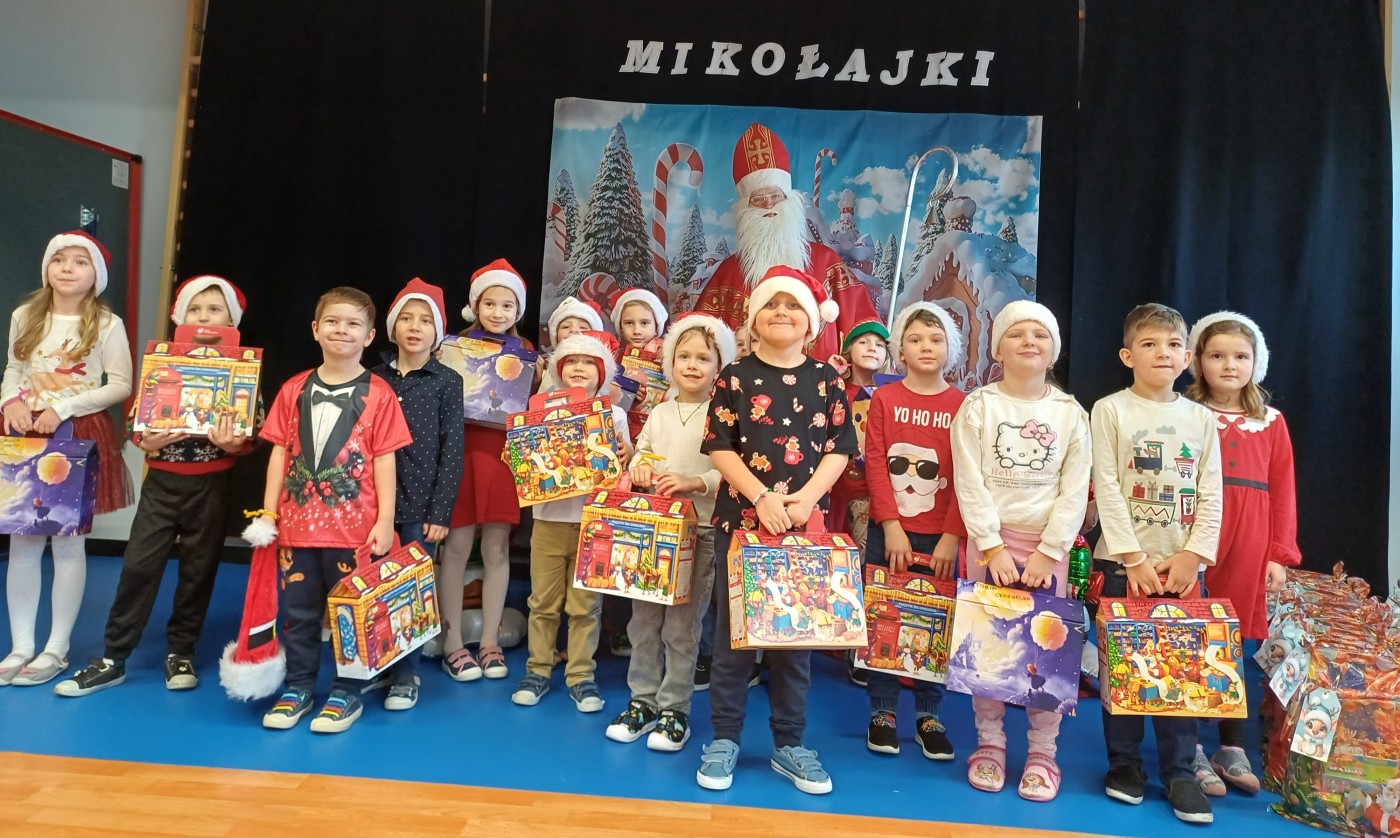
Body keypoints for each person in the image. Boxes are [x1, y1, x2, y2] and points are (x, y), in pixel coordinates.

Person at [696, 265, 858, 796]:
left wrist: (806, 499)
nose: (782, 313)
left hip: (805, 532)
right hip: (742, 526)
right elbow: (719, 447)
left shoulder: (828, 380)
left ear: (811, 322)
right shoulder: (734, 376)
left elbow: (839, 448)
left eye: (793, 305)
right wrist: (760, 497)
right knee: (733, 641)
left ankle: (790, 743)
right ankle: (724, 738)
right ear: (753, 318)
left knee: (796, 643)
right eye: (771, 304)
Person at [55, 276, 258, 696]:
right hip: (162, 484)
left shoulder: (242, 368)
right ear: (180, 317)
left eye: (214, 310)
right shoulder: (163, 362)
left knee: (199, 571)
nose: (204, 318)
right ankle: (114, 655)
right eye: (195, 309)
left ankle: (181, 650)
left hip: (212, 486)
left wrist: (236, 444)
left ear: (231, 320)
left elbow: (252, 428)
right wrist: (144, 439)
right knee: (138, 568)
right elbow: (137, 423)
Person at [255, 287, 413, 733]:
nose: (342, 330)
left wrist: (385, 520)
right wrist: (268, 513)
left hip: (355, 531)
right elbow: (280, 452)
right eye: (332, 321)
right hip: (296, 528)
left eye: (353, 324)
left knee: (352, 612)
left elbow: (385, 459)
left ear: (369, 336)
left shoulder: (380, 393)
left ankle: (348, 690)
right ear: (315, 329)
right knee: (299, 612)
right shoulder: (293, 389)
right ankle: (299, 686)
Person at [951, 300, 1090, 803]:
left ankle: (1043, 753)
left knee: (1046, 654)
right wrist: (991, 546)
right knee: (988, 649)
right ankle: (989, 743)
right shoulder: (979, 407)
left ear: (1053, 350)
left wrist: (1050, 551)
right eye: (1017, 334)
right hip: (991, 544)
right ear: (998, 349)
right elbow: (969, 480)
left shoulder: (1070, 413)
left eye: (1040, 334)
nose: (1029, 341)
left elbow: (1075, 490)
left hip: (1047, 550)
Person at [1091, 302, 1223, 824]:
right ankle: (1124, 764)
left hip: (1183, 570)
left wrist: (1194, 555)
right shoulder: (1110, 410)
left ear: (1186, 357)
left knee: (1180, 671)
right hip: (1125, 566)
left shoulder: (1201, 418)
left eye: (1172, 345)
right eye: (1149, 344)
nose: (1162, 353)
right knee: (1125, 668)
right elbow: (1106, 485)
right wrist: (1133, 557)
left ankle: (1180, 772)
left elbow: (1211, 492)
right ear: (1128, 356)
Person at [1, 231, 133, 687]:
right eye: (59, 259)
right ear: (47, 268)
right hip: (23, 434)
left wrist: (64, 407)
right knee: (23, 540)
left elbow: (120, 384)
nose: (68, 268)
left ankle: (56, 648)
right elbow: (14, 368)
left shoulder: (106, 324)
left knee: (67, 542)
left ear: (96, 275)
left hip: (74, 434)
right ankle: (21, 645)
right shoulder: (25, 316)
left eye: (80, 261)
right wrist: (9, 402)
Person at [605, 312, 735, 752]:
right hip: (652, 530)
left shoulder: (722, 413)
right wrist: (640, 468)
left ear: (719, 366)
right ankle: (641, 701)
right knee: (643, 622)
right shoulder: (660, 411)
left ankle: (674, 709)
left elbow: (731, 470)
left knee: (682, 627)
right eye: (684, 356)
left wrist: (695, 482)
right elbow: (644, 452)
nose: (692, 365)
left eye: (703, 358)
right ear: (670, 362)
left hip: (699, 532)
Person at [1185, 311, 1298, 797]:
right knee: (1193, 633)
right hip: (1198, 530)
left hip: (1251, 536)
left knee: (1235, 638)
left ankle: (1231, 745)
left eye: (1240, 356)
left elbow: (1283, 488)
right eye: (1217, 355)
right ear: (1198, 362)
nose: (1229, 365)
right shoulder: (1185, 413)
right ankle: (1188, 744)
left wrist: (1278, 553)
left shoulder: (1270, 422)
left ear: (1256, 363)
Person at [862, 303, 967, 761]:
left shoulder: (963, 405)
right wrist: (891, 526)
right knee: (885, 618)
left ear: (950, 349)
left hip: (941, 538)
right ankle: (882, 711)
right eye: (916, 339)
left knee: (933, 623)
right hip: (891, 533)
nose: (926, 347)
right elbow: (876, 465)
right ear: (900, 350)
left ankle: (929, 713)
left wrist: (951, 535)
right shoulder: (884, 399)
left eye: (936, 339)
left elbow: (967, 477)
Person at [511, 331, 633, 711]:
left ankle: (581, 674)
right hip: (548, 521)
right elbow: (522, 465)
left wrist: (626, 453)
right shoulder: (539, 411)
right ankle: (538, 669)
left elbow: (623, 468)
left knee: (585, 606)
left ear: (603, 373)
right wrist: (518, 456)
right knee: (542, 603)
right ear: (559, 370)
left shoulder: (614, 415)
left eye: (588, 363)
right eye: (571, 362)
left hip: (594, 523)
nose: (579, 368)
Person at [693, 123, 880, 361]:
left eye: (776, 195)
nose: (769, 205)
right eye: (758, 199)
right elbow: (699, 337)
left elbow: (862, 322)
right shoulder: (728, 273)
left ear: (790, 201)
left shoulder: (827, 262)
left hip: (819, 381)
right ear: (744, 211)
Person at [371, 278, 464, 709]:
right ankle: (378, 661)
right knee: (374, 584)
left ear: (437, 331)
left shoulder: (447, 381)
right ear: (392, 327)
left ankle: (407, 672)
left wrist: (441, 512)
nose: (415, 327)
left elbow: (452, 449)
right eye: (406, 318)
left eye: (425, 320)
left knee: (412, 587)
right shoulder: (371, 378)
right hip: (374, 506)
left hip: (421, 504)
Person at [441, 261, 530, 682]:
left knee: (497, 548)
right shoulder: (455, 347)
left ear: (518, 310)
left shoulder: (526, 352)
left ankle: (490, 641)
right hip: (460, 454)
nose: (498, 312)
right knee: (457, 546)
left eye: (507, 305)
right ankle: (452, 643)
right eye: (489, 303)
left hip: (502, 458)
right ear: (476, 305)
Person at [828, 317, 890, 547]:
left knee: (866, 553)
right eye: (863, 342)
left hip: (872, 491)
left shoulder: (890, 394)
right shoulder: (836, 388)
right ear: (848, 350)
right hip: (836, 486)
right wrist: (830, 374)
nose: (872, 348)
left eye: (879, 345)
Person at [537, 295, 605, 392]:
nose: (573, 330)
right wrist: (536, 383)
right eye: (565, 327)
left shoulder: (603, 374)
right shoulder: (545, 373)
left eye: (582, 327)